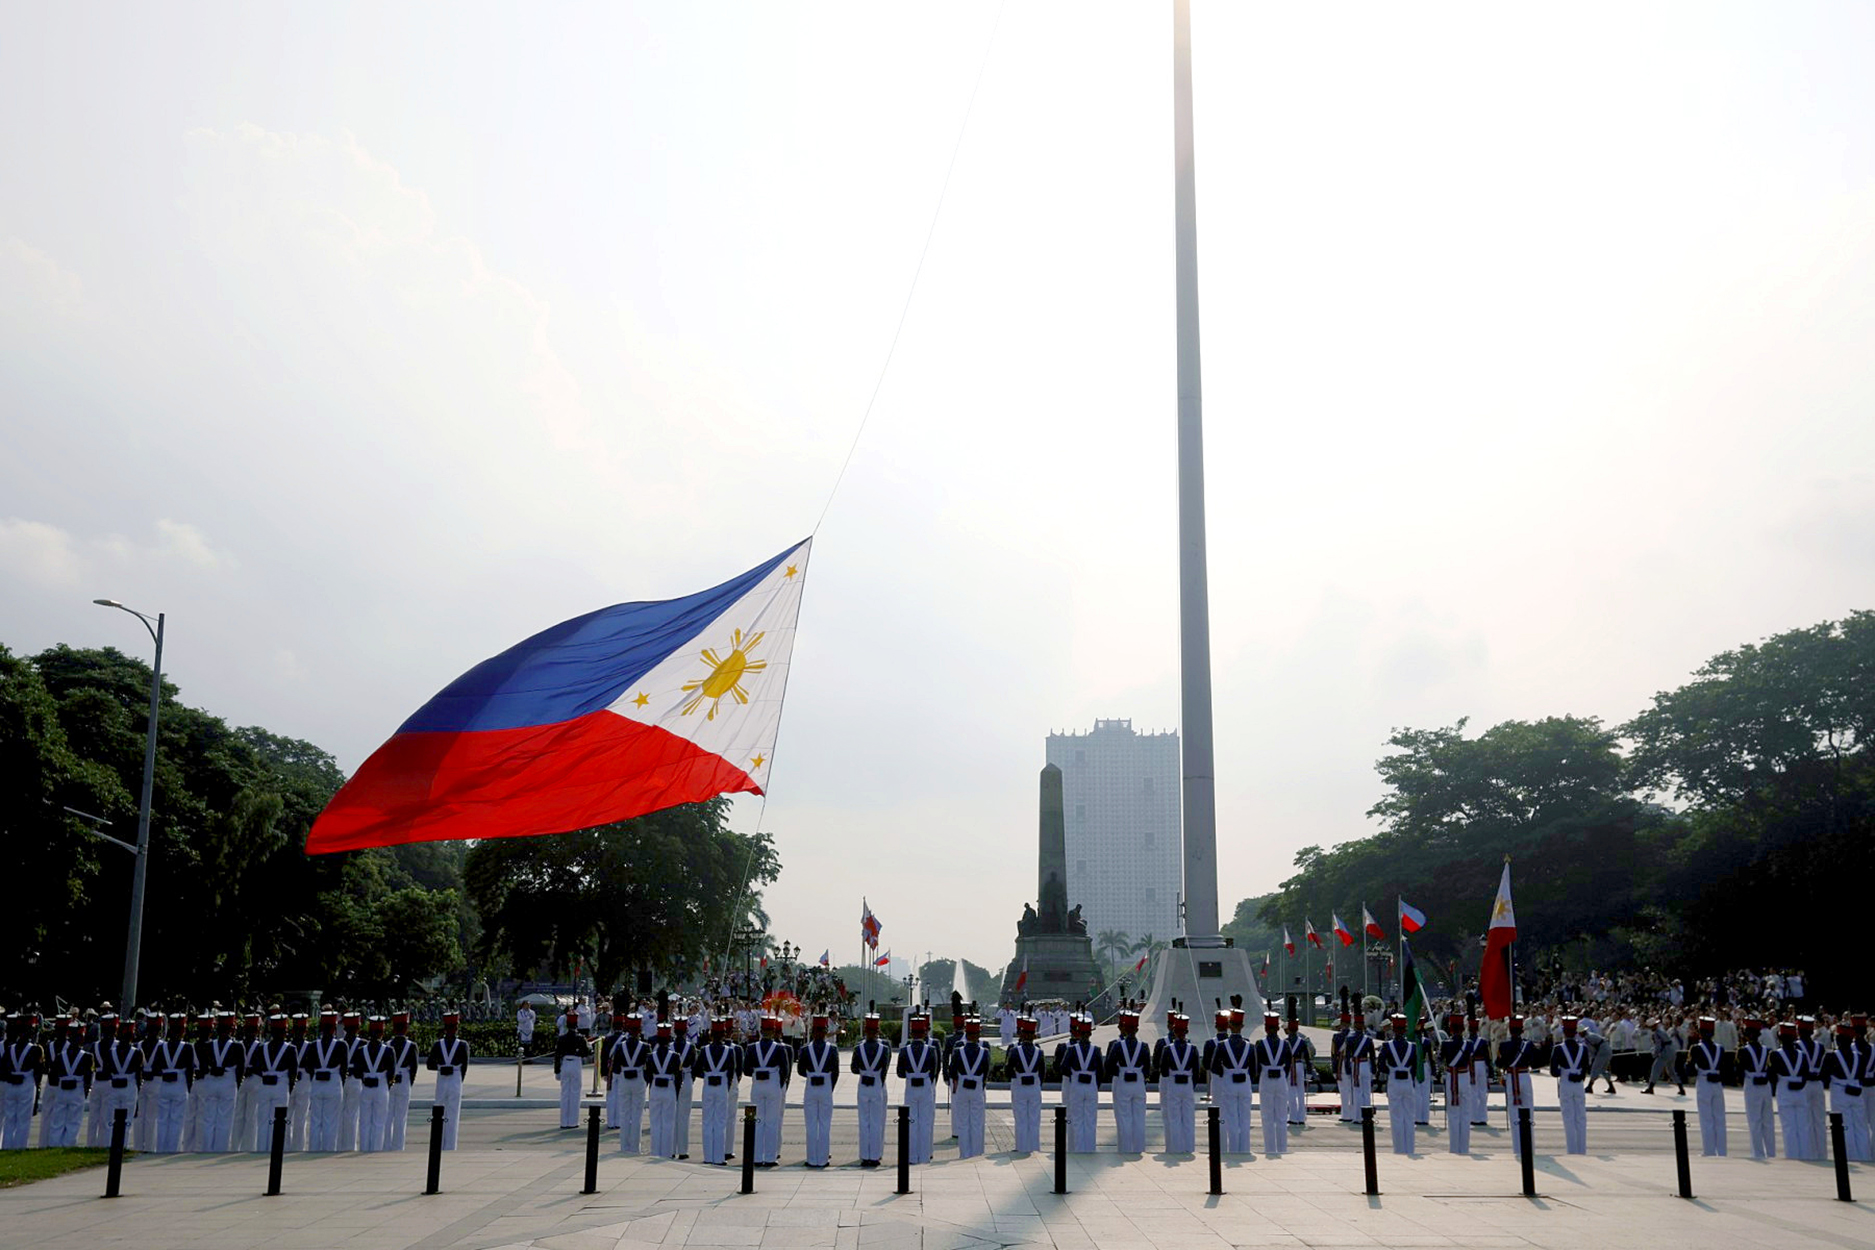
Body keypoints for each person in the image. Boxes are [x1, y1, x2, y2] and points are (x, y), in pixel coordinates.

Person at [693, 1016, 741, 1165]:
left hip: (708, 1085)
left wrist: (708, 1076)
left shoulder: (704, 1050)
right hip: (722, 1086)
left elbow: (697, 1070)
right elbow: (732, 1071)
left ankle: (708, 1156)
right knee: (720, 1122)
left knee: (707, 1121)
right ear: (724, 1033)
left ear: (711, 1034)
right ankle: (719, 1157)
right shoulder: (729, 1051)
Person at [744, 1015, 792, 1166]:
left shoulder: (752, 1048)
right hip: (773, 1083)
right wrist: (778, 1083)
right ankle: (770, 1157)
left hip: (757, 1084)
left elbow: (746, 1070)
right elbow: (785, 1069)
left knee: (758, 1121)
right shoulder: (779, 1048)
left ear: (760, 1031)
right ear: (772, 1031)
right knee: (772, 1122)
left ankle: (757, 1157)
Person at [192, 1012, 242, 1152]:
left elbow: (202, 1066)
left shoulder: (207, 1046)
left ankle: (207, 1148)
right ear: (232, 1029)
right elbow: (240, 1069)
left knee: (208, 1119)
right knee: (224, 1120)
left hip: (210, 1081)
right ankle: (221, 1149)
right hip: (228, 1081)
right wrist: (235, 1085)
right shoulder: (237, 1047)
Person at [245, 1015, 297, 1150]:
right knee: (279, 1121)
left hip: (264, 1085)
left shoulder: (262, 1048)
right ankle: (278, 1149)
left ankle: (262, 1149)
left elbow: (257, 1068)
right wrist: (288, 1089)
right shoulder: (291, 1049)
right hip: (281, 1085)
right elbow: (293, 1073)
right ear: (285, 1031)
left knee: (263, 1120)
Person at [1207, 1007, 1254, 1153]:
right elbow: (1255, 1068)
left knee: (1231, 1118)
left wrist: (1225, 1073)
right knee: (1245, 1118)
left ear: (1229, 1025)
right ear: (1242, 1026)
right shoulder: (1250, 1046)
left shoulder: (1222, 1046)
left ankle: (1233, 1149)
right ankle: (1244, 1149)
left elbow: (1214, 1067)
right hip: (1245, 1083)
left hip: (1229, 1083)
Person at [897, 1012, 942, 1163]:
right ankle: (924, 1156)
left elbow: (900, 1073)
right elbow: (934, 1071)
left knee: (911, 1122)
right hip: (925, 1087)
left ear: (911, 1033)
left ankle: (912, 1156)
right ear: (924, 1033)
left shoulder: (904, 1050)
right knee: (925, 1122)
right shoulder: (931, 1050)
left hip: (910, 1087)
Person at [1104, 1009, 1151, 1154]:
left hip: (1123, 1081)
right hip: (1138, 1082)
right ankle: (1138, 1148)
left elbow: (1109, 1065)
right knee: (1139, 1118)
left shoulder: (1118, 1045)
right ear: (1137, 1029)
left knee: (1124, 1117)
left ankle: (1124, 1148)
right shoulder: (1143, 1046)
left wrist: (1121, 1072)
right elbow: (1148, 1067)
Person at [850, 1009, 893, 1166]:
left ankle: (864, 1155)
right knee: (876, 1121)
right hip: (876, 1085)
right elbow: (885, 1068)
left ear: (866, 1031)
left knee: (864, 1121)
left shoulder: (858, 1048)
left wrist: (864, 1071)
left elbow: (853, 1068)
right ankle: (875, 1155)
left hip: (863, 1084)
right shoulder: (884, 1049)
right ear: (878, 1031)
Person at [40, 1016, 91, 1148]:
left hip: (57, 1085)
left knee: (54, 1120)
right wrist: (84, 1092)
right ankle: (67, 1145)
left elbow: (49, 1070)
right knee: (73, 1121)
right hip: (73, 1088)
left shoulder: (52, 1049)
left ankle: (50, 1144)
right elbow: (88, 1077)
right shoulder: (85, 1056)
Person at [797, 1014, 841, 1166]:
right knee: (824, 1124)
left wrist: (811, 1075)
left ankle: (811, 1158)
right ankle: (822, 1159)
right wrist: (829, 1087)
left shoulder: (805, 1049)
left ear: (813, 1031)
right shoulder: (832, 1049)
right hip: (825, 1086)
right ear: (826, 1030)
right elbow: (836, 1071)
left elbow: (800, 1070)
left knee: (810, 1124)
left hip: (810, 1086)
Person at [1056, 1014, 1103, 1153]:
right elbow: (1101, 1071)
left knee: (1076, 1119)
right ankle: (1089, 1149)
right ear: (1089, 1034)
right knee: (1090, 1119)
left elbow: (1063, 1068)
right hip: (1091, 1086)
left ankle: (1077, 1148)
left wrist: (1074, 1076)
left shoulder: (1072, 1050)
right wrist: (1094, 1085)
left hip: (1076, 1086)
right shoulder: (1096, 1050)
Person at [1154, 1011, 1200, 1154]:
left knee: (1173, 1118)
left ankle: (1174, 1148)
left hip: (1172, 1083)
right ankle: (1188, 1148)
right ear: (1186, 1031)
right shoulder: (1192, 1048)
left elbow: (1162, 1068)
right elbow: (1197, 1071)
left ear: (1174, 1030)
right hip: (1187, 1084)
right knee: (1188, 1118)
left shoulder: (1168, 1049)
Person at [946, 1015, 990, 1160]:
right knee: (977, 1122)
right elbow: (986, 1072)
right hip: (977, 1088)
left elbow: (952, 1071)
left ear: (966, 1033)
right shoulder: (985, 1052)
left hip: (962, 1088)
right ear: (978, 1035)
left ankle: (964, 1154)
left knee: (963, 1123)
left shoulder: (958, 1051)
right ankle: (976, 1153)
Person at [426, 1010, 470, 1150]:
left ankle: (438, 1144)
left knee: (439, 1112)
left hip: (442, 1079)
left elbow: (429, 1064)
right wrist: (457, 1078)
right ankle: (450, 1146)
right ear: (456, 1027)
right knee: (453, 1114)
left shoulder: (437, 1045)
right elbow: (464, 1067)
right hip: (455, 1079)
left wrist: (441, 1067)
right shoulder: (463, 1045)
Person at [1686, 1017, 1728, 1156]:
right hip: (1717, 1082)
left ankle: (1709, 1150)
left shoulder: (1696, 1048)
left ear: (1700, 1032)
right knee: (1720, 1118)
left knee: (1706, 1118)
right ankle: (1722, 1151)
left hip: (1704, 1081)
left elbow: (1690, 1069)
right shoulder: (1720, 1049)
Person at [351, 1017, 395, 1152]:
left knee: (364, 1121)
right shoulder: (388, 1051)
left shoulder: (361, 1050)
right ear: (382, 1032)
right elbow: (391, 1072)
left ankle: (364, 1148)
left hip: (366, 1087)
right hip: (381, 1086)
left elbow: (357, 1073)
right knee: (379, 1121)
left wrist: (365, 1077)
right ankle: (376, 1149)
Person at [1549, 1016, 1590, 1155]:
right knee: (1581, 1117)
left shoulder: (1558, 1049)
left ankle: (1572, 1150)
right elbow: (1585, 1069)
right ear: (1576, 1032)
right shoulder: (1583, 1049)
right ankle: (1581, 1149)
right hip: (1578, 1084)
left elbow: (1553, 1072)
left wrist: (1564, 1072)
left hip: (1566, 1083)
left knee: (1568, 1117)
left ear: (1564, 1032)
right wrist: (1578, 1075)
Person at [0, 1014, 41, 1150]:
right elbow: (38, 1072)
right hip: (26, 1083)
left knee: (10, 1119)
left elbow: (3, 1069)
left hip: (11, 1083)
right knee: (23, 1120)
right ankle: (19, 1146)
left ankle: (6, 1145)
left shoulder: (10, 1049)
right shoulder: (35, 1049)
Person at [1498, 1016, 1538, 1158]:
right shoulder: (1528, 1045)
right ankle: (1530, 1147)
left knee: (1514, 1113)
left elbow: (1498, 1063)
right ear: (1522, 1030)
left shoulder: (1504, 1045)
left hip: (1511, 1077)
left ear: (1510, 1030)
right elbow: (1535, 1062)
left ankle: (1517, 1149)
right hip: (1524, 1076)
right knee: (1529, 1112)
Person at [645, 1021, 684, 1158]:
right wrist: (676, 1093)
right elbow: (679, 1077)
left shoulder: (651, 1056)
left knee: (655, 1122)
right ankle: (667, 1153)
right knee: (668, 1122)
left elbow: (647, 1076)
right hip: (669, 1088)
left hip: (655, 1087)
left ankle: (655, 1151)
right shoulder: (675, 1056)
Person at [1380, 1013, 1418, 1155]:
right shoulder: (1412, 1047)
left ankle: (1399, 1149)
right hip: (1408, 1080)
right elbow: (1415, 1066)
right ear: (1405, 1029)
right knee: (1409, 1116)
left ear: (1393, 1029)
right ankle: (1410, 1148)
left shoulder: (1387, 1046)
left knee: (1396, 1117)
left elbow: (1382, 1066)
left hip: (1394, 1080)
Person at [610, 1015, 649, 1153]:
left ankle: (624, 1146)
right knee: (637, 1114)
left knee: (624, 1113)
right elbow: (648, 1068)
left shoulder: (621, 1047)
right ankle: (635, 1147)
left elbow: (615, 1068)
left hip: (624, 1079)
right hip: (638, 1079)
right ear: (639, 1030)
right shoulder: (645, 1047)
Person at [1254, 1012, 1290, 1156]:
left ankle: (1269, 1148)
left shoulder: (1260, 1044)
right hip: (1280, 1077)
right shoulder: (1285, 1044)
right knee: (1281, 1116)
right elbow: (1288, 1064)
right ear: (1277, 1028)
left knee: (1267, 1116)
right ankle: (1282, 1148)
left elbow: (1256, 1065)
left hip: (1266, 1077)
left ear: (1266, 1028)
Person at [386, 1011, 419, 1151]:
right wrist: (408, 1083)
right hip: (404, 1080)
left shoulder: (387, 1044)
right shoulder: (412, 1046)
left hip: (389, 1082)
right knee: (401, 1117)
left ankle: (385, 1145)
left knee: (387, 1117)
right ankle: (398, 1147)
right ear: (406, 1027)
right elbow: (414, 1069)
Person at [553, 1018, 593, 1129]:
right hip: (576, 1063)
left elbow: (557, 1055)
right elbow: (586, 1053)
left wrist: (557, 1070)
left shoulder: (562, 1038)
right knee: (575, 1093)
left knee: (565, 1093)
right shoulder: (580, 1038)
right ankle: (573, 1121)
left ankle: (564, 1121)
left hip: (565, 1063)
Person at [1440, 1014, 1470, 1155]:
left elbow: (1440, 1059)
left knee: (1453, 1114)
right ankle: (1464, 1147)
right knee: (1465, 1113)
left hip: (1452, 1077)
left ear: (1451, 1029)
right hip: (1464, 1076)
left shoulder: (1446, 1044)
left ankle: (1454, 1147)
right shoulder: (1468, 1044)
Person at [285, 1012, 313, 1151]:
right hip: (303, 1081)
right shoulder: (311, 1046)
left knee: (288, 1117)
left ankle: (287, 1146)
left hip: (291, 1081)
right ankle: (297, 1147)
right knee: (300, 1118)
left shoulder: (287, 1046)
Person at [671, 1017, 696, 1159]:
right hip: (686, 1079)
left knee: (672, 1116)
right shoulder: (690, 1047)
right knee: (684, 1116)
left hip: (672, 1080)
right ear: (686, 1030)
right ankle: (683, 1150)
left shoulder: (670, 1047)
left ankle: (671, 1148)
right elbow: (694, 1065)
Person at [1285, 1015, 1314, 1129]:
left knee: (1291, 1093)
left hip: (1289, 1067)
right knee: (1301, 1092)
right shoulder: (1302, 1042)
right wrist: (1309, 1072)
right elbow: (1307, 1058)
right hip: (1299, 1065)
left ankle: (1293, 1117)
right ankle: (1301, 1118)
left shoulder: (1285, 1041)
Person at [1642, 1017, 1683, 1095]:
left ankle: (1650, 1087)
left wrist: (1655, 1054)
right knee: (1671, 1071)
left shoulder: (1656, 1033)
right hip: (1672, 1050)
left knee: (1655, 1069)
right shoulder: (1661, 1030)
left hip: (1664, 1052)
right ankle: (1681, 1088)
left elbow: (1658, 1045)